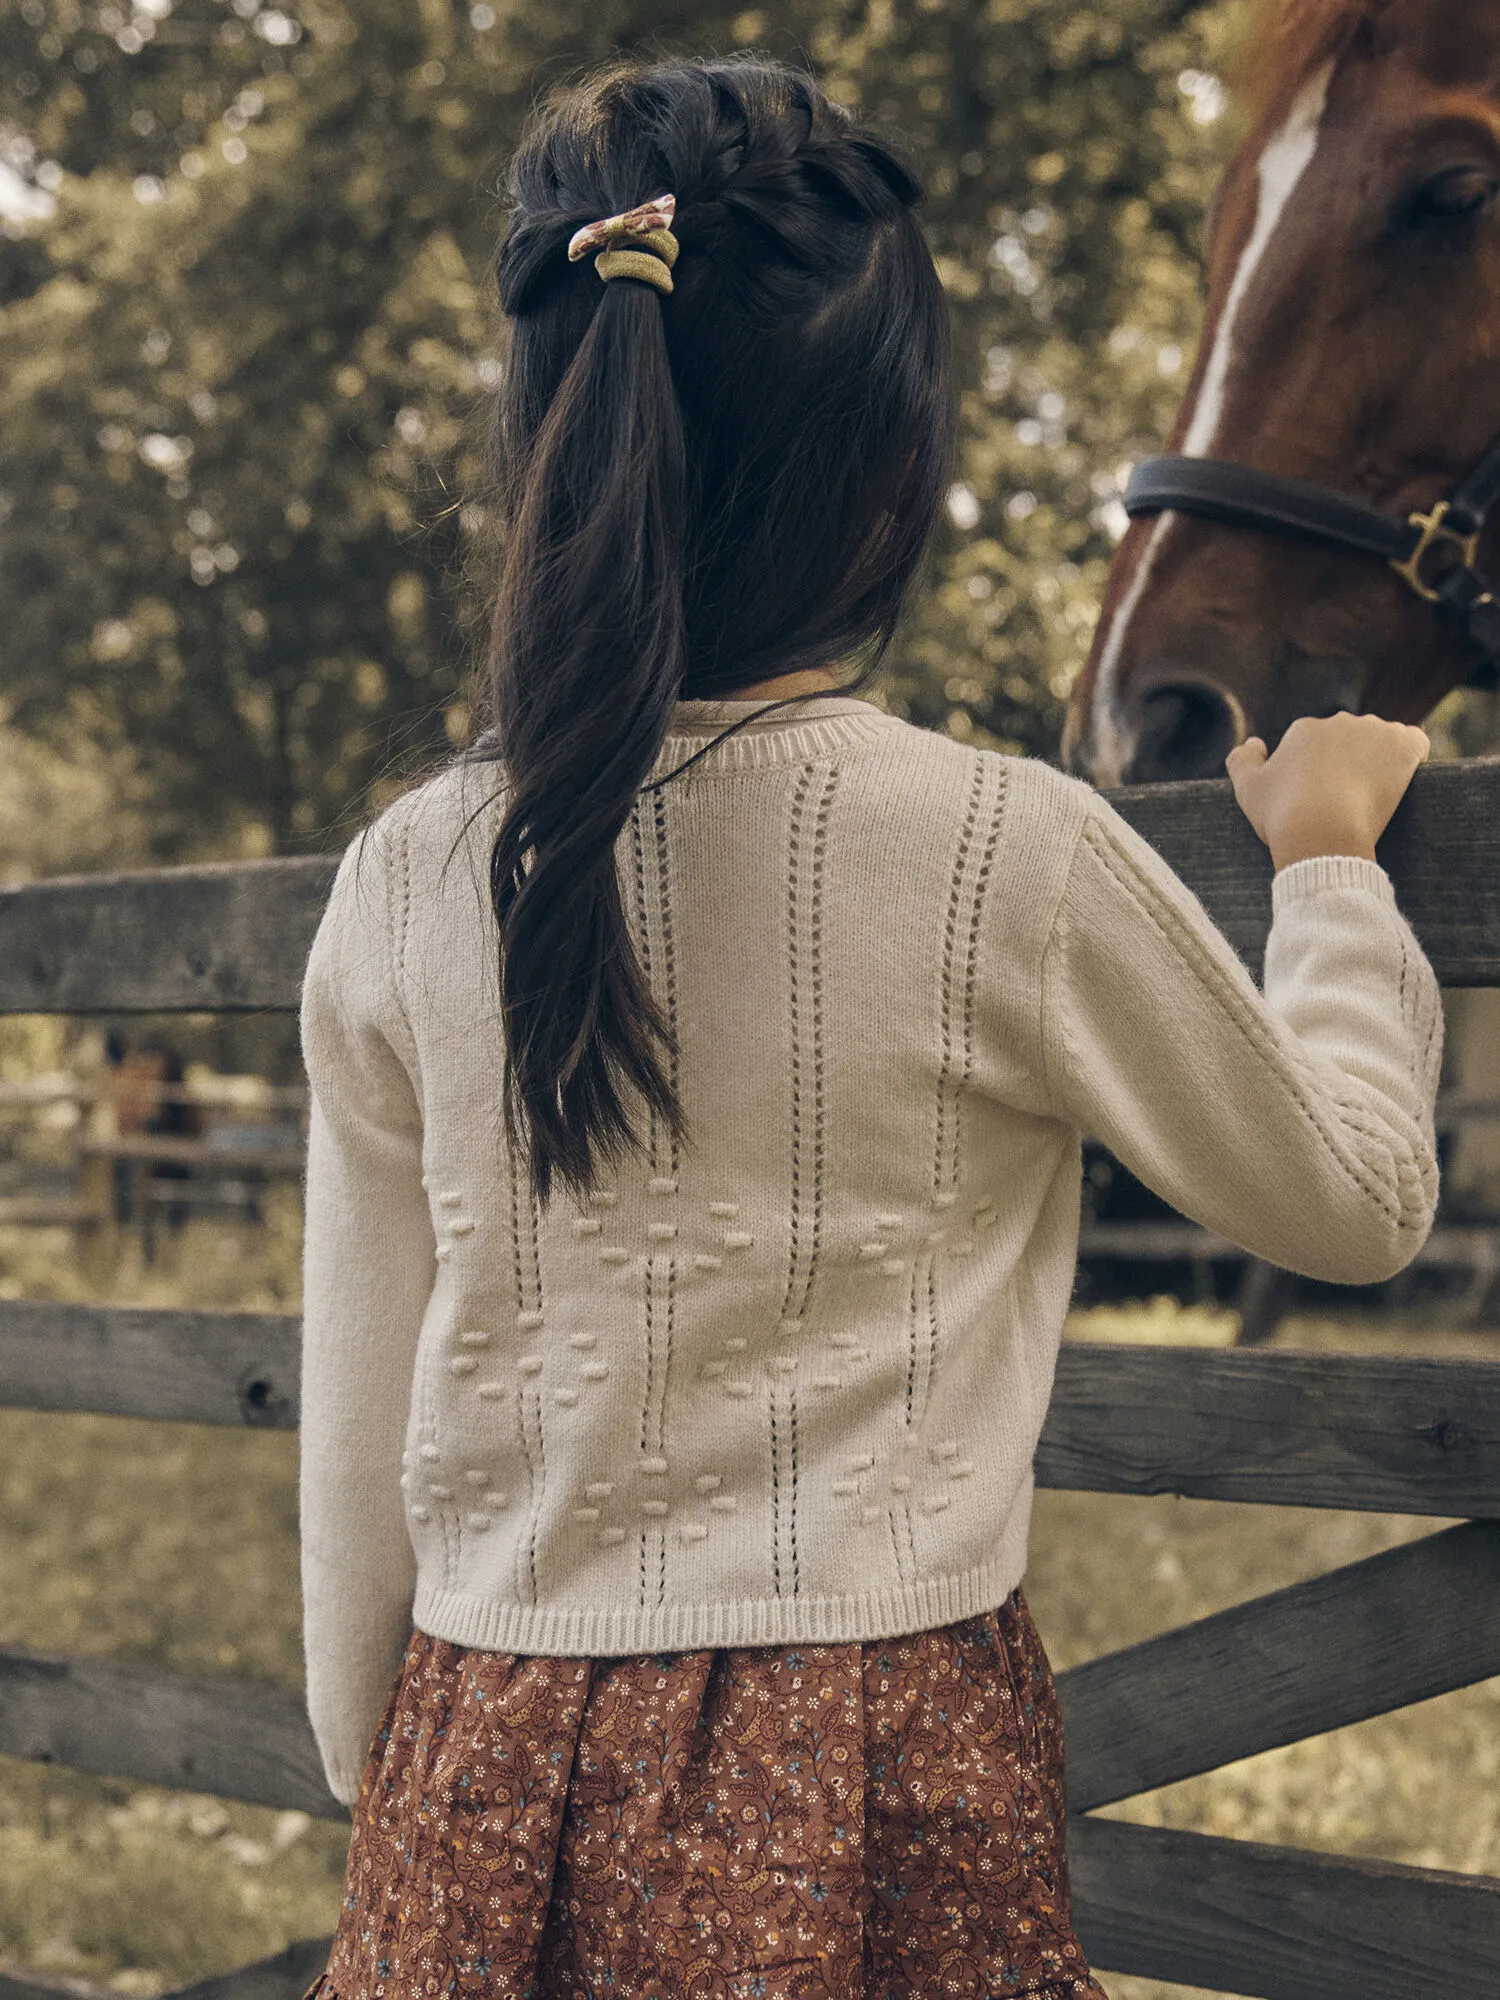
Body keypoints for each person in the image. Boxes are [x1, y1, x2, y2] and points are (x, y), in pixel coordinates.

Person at [296, 55, 1440, 2000]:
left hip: (479, 1767)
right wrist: (1327, 873)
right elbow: (1353, 1196)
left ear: (555, 437)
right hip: (875, 1781)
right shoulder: (997, 846)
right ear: (894, 474)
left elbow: (362, 1401)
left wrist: (392, 1774)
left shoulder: (411, 874)